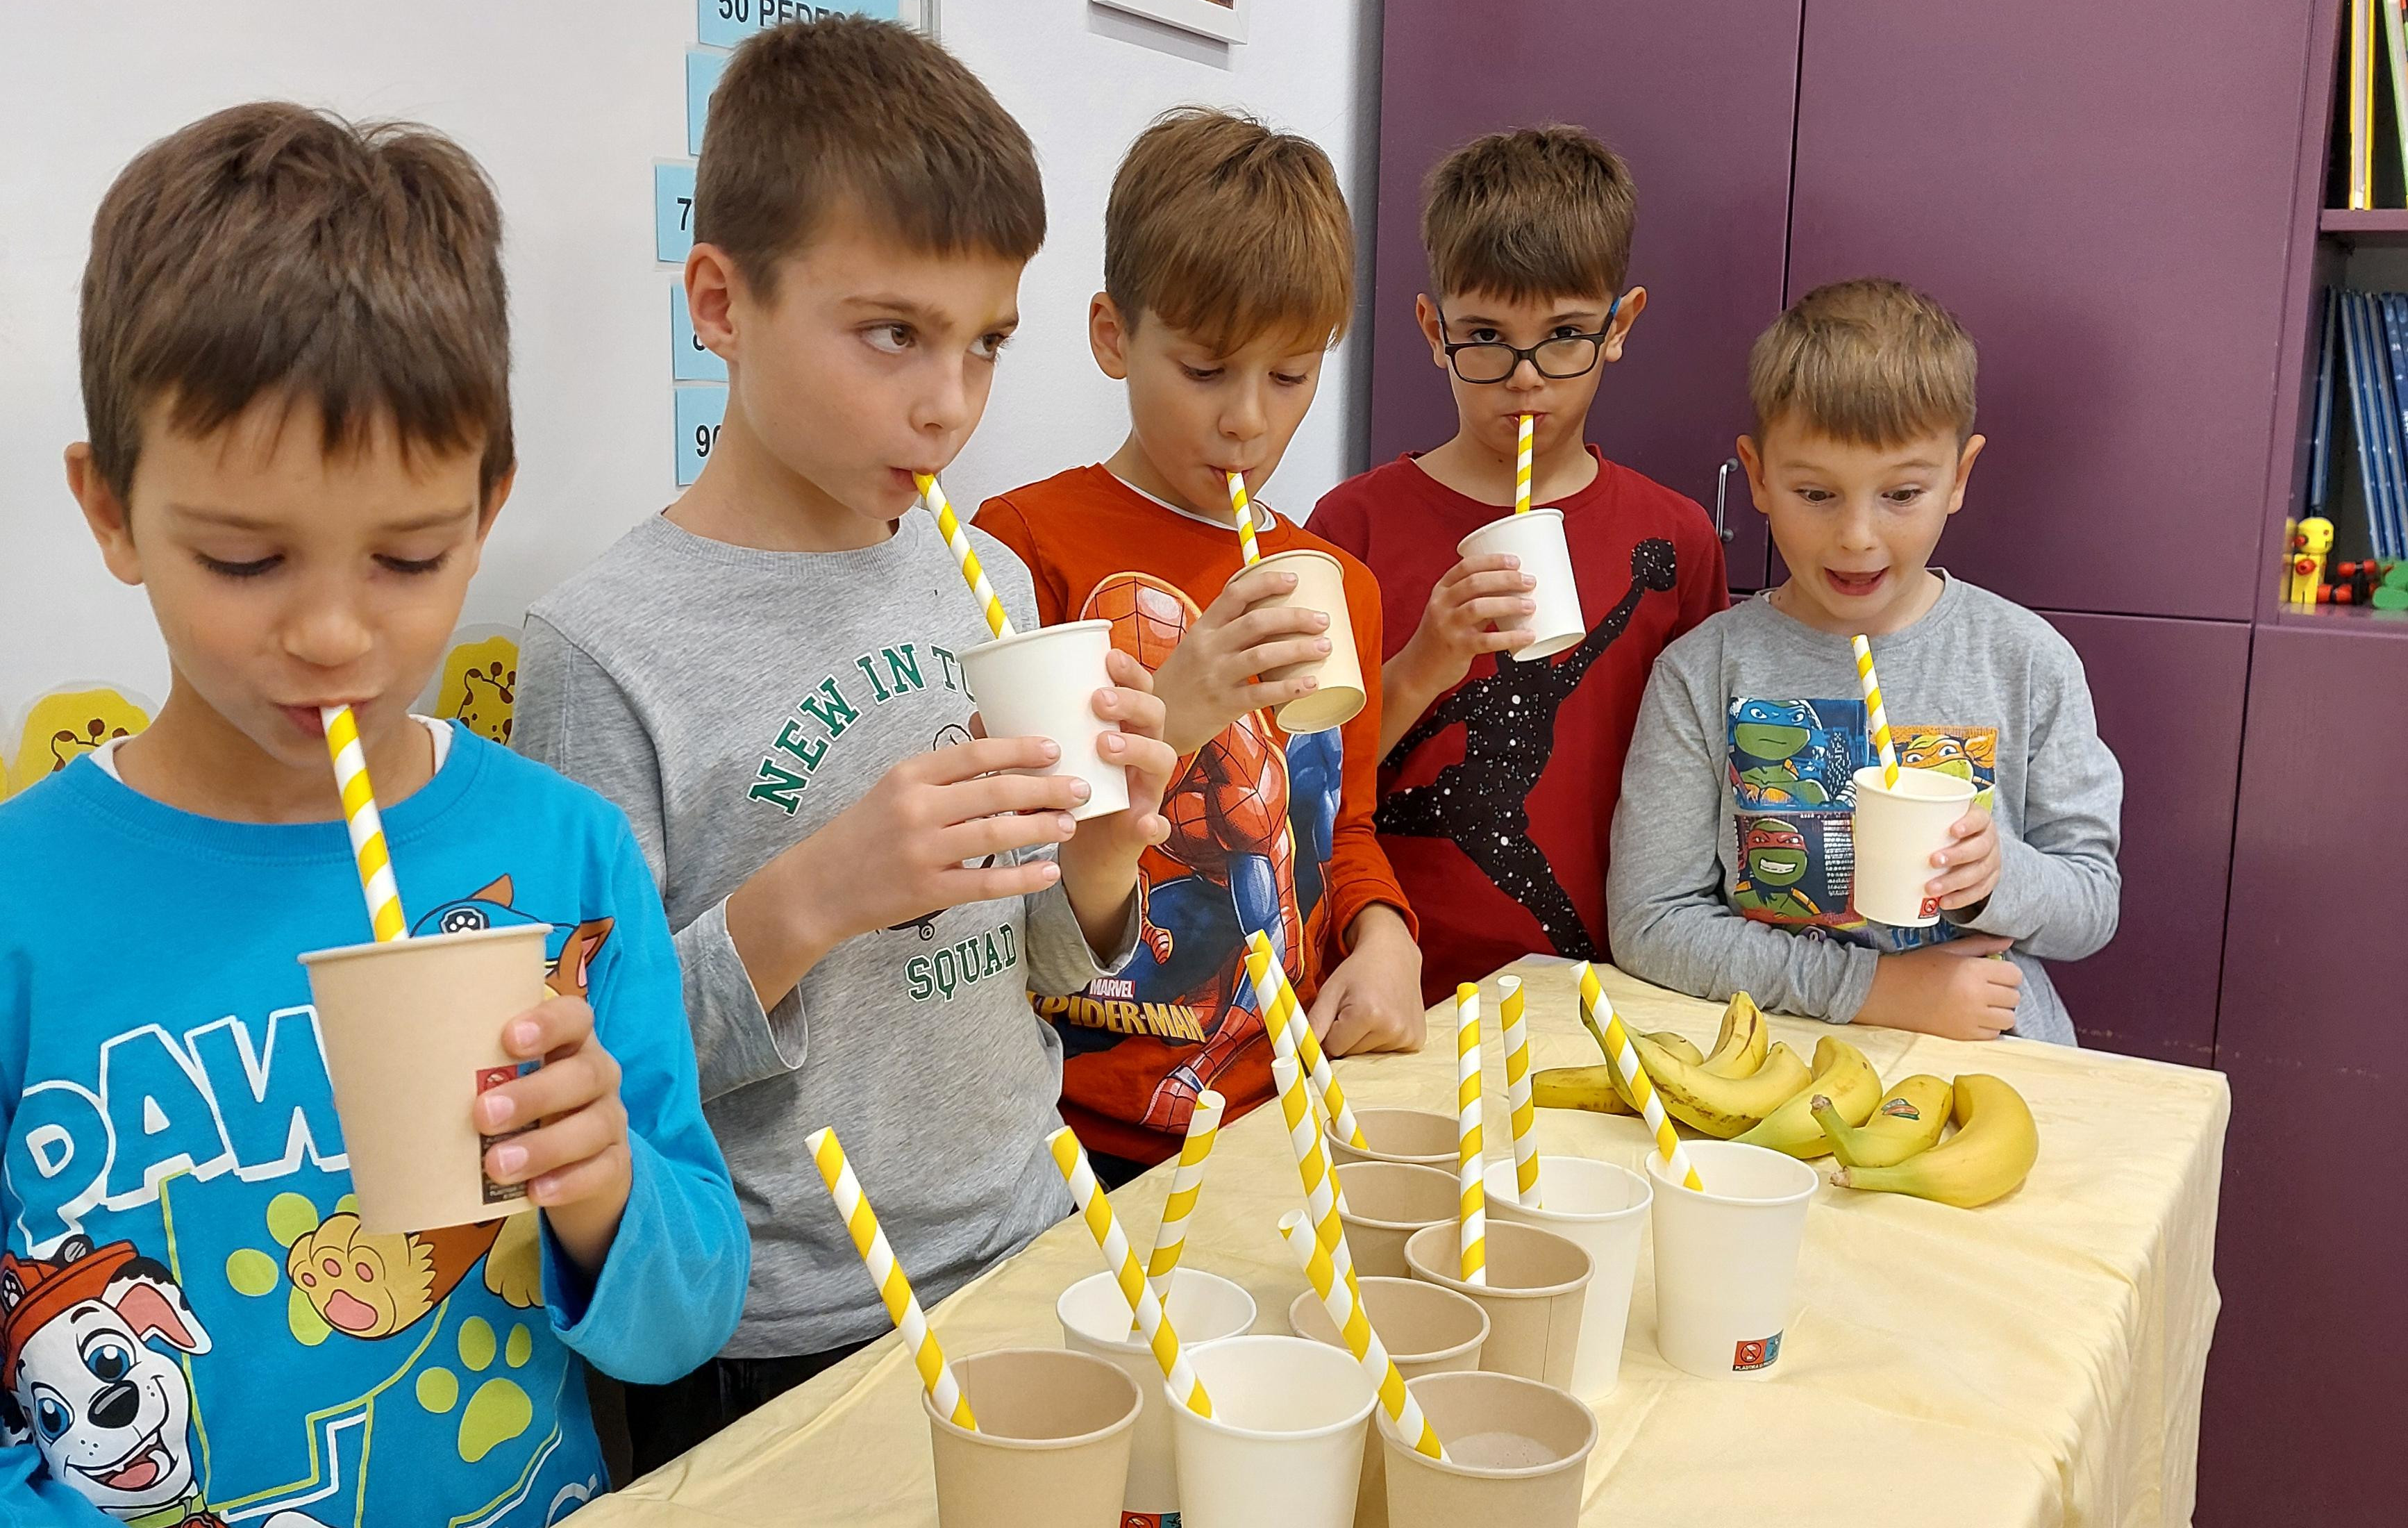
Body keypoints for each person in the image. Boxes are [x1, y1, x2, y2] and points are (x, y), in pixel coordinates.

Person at [0, 102, 748, 1524]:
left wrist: (600, 1187)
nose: (335, 633)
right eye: (244, 557)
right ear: (110, 510)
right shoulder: (20, 903)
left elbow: (691, 1309)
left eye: (408, 557)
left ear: (487, 508)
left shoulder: (562, 859)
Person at [511, 17, 1176, 1463]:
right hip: (784, 1320)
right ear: (720, 301)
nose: (948, 400)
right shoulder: (599, 649)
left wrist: (1112, 851)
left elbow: (1046, 967)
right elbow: (587, 1066)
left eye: (985, 341)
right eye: (892, 332)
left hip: (1034, 1227)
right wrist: (816, 892)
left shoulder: (985, 579)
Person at [977, 108, 1420, 1179]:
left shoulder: (1339, 585)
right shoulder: (1026, 547)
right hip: (1083, 1128)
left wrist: (1387, 936)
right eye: (1209, 370)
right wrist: (1174, 716)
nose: (1250, 423)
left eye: (1292, 375)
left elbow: (1339, 825)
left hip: (1286, 1110)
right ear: (1112, 335)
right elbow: (1014, 868)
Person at [1609, 278, 2122, 1044]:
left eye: (1902, 493)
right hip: (1773, 1063)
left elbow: (2091, 905)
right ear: (1755, 476)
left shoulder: (2027, 662)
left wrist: (1997, 878)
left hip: (1993, 1061)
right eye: (1815, 493)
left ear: (1960, 477)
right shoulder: (1703, 673)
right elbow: (1651, 922)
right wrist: (1875, 989)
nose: (1856, 536)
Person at [1311, 126, 1727, 1008]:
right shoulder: (1354, 526)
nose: (1525, 378)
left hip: (1615, 991)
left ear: (1621, 328)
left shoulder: (1677, 537)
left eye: (1567, 334)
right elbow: (1306, 788)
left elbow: (1701, 795)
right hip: (1397, 991)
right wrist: (1426, 659)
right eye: (1486, 336)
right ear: (1434, 330)